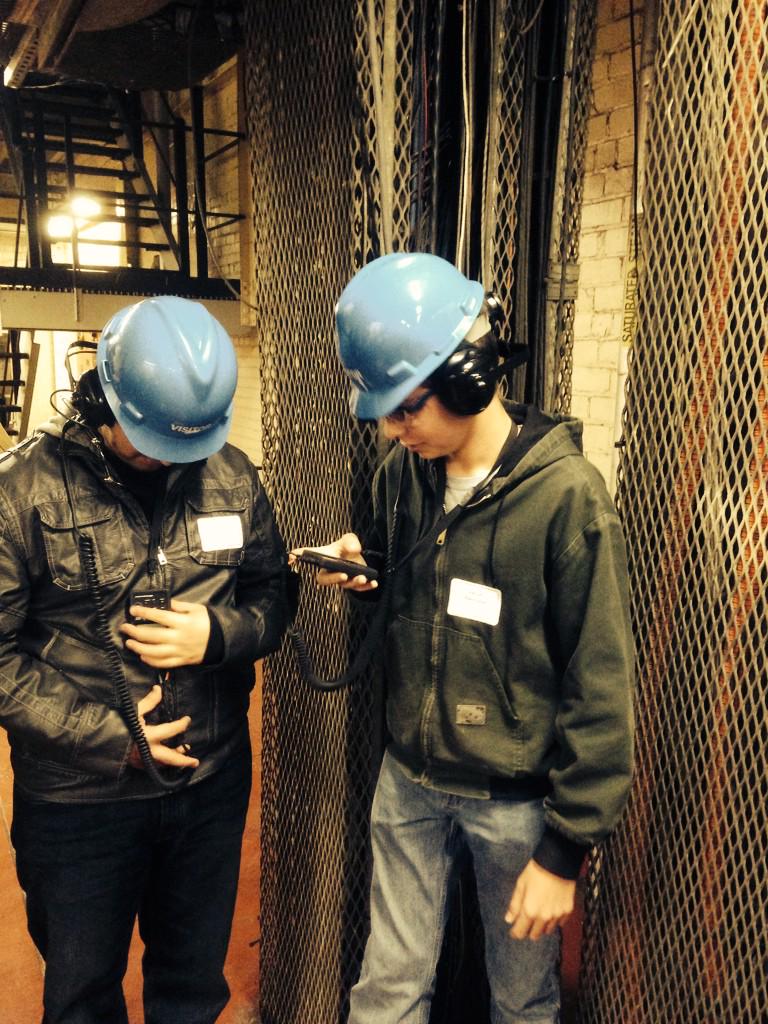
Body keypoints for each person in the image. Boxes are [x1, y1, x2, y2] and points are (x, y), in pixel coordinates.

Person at [295, 253, 635, 1023]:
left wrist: (564, 850)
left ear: (470, 379)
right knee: (387, 989)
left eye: (406, 409)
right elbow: (412, 579)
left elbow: (601, 685)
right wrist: (366, 568)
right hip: (408, 779)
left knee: (521, 998)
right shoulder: (401, 477)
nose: (392, 429)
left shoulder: (567, 500)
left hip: (513, 802)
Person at [0, 295, 290, 1024]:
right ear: (101, 401)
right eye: (150, 441)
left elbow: (272, 596)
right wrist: (110, 738)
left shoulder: (231, 476)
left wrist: (220, 634)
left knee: (192, 988)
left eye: (185, 444)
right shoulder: (20, 491)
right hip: (79, 800)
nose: (169, 460)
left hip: (208, 781)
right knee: (82, 993)